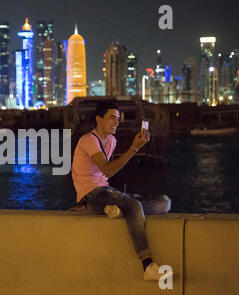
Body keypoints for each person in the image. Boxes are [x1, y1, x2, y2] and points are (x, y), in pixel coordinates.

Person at [71, 101, 172, 281]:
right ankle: (147, 264)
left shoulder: (112, 141)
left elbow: (107, 176)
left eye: (118, 119)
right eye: (111, 118)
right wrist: (134, 148)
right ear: (98, 119)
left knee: (164, 202)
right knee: (133, 205)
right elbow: (108, 170)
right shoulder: (88, 140)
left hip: (107, 191)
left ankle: (115, 210)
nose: (116, 122)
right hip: (92, 195)